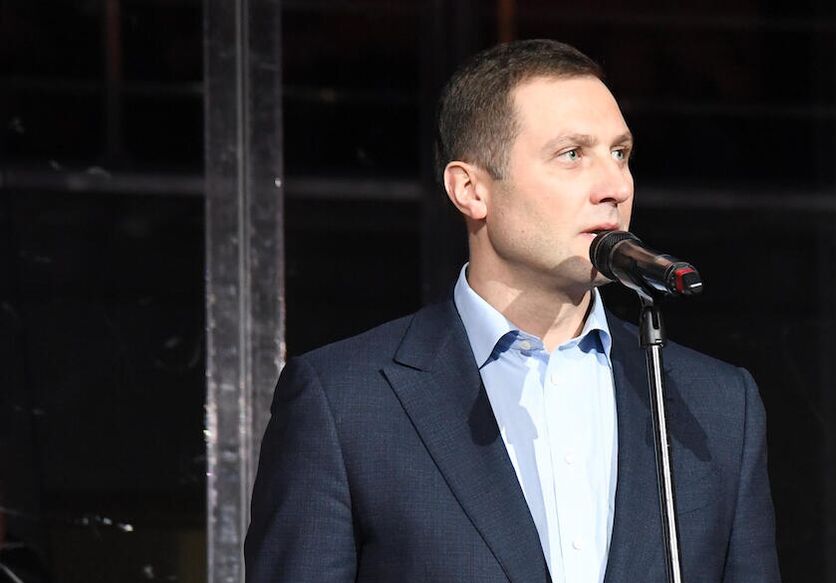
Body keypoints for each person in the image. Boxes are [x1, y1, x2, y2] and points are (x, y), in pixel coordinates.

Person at [244, 39, 780, 582]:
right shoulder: (346, 403)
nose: (615, 186)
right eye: (572, 154)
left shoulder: (714, 405)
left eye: (620, 154)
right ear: (470, 190)